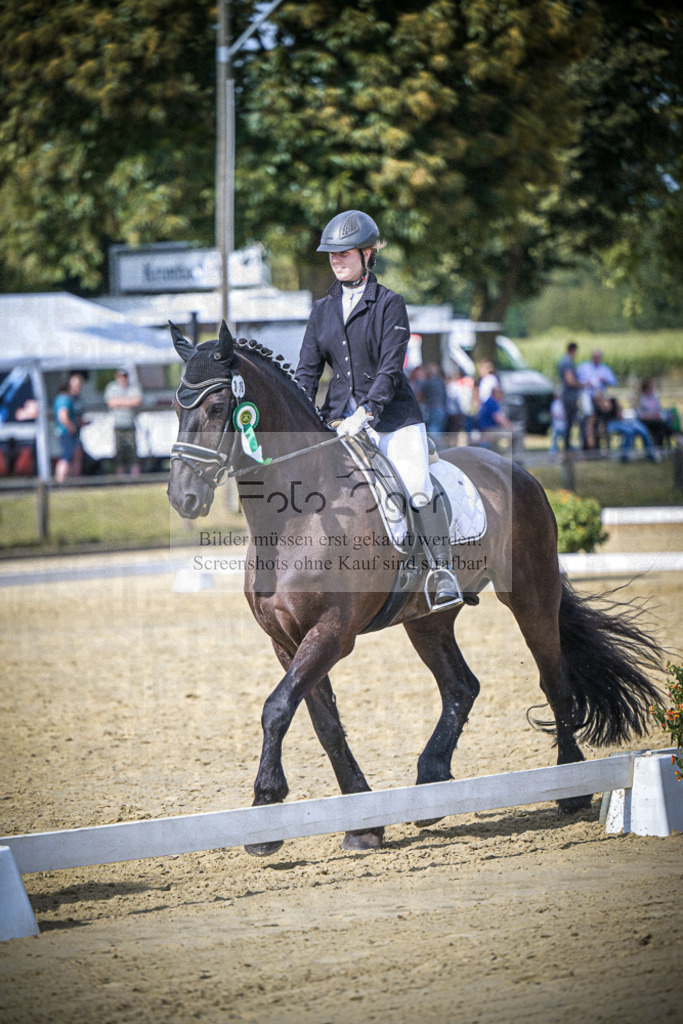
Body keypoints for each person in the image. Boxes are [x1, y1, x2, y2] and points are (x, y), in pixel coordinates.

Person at [296, 209, 462, 606]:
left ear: (368, 254)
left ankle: (442, 573)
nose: (336, 260)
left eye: (345, 253)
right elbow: (305, 373)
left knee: (416, 485)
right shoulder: (321, 310)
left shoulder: (390, 304)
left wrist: (366, 413)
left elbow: (391, 369)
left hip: (391, 419)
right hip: (336, 422)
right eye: (331, 254)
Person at [592, 391, 660, 463]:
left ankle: (650, 454)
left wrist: (619, 412)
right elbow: (598, 421)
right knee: (629, 431)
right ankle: (625, 455)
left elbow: (621, 409)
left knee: (641, 430)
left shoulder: (613, 400)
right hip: (610, 424)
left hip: (620, 421)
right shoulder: (597, 408)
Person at [576, 350, 618, 449]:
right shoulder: (583, 367)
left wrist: (605, 379)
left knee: (599, 423)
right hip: (588, 401)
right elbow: (576, 381)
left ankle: (599, 444)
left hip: (599, 402)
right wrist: (586, 383)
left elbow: (614, 381)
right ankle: (588, 446)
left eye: (598, 357)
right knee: (588, 423)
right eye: (594, 357)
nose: (596, 359)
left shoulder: (604, 369)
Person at [104, 368, 142, 475]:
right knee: (119, 451)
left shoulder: (133, 387)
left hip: (130, 423)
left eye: (125, 376)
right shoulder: (112, 387)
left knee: (133, 451)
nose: (123, 379)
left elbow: (137, 400)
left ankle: (136, 476)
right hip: (117, 424)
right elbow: (110, 402)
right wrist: (128, 402)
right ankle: (120, 477)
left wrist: (120, 402)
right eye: (121, 376)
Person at [53, 372, 87, 482]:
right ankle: (60, 481)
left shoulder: (68, 398)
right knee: (66, 457)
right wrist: (72, 427)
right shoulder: (64, 399)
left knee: (75, 456)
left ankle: (73, 482)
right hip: (67, 432)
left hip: (72, 432)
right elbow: (63, 417)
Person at [556, 342, 583, 451]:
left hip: (567, 396)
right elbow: (569, 380)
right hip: (570, 397)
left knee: (569, 422)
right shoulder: (568, 362)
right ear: (574, 350)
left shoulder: (562, 360)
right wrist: (582, 385)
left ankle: (567, 445)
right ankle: (568, 447)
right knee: (571, 422)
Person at [636, 378, 673, 449]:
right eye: (651, 387)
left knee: (663, 424)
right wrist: (651, 416)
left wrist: (664, 414)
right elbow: (639, 414)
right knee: (662, 424)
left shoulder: (654, 396)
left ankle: (659, 446)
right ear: (646, 388)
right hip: (644, 420)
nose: (653, 388)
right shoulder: (640, 398)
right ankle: (661, 446)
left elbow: (659, 409)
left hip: (655, 420)